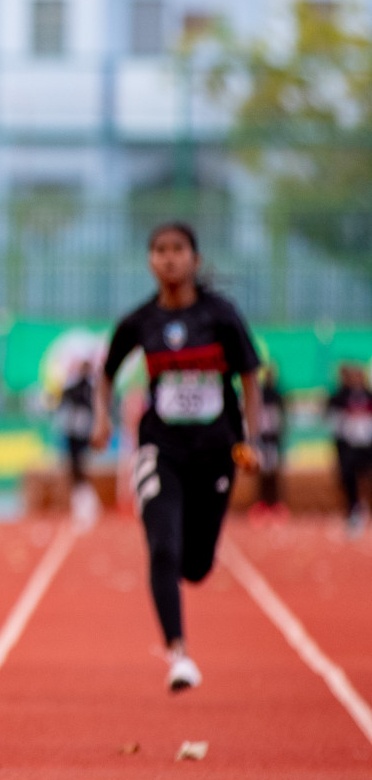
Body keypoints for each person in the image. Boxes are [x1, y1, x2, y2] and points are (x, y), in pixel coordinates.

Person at [91, 222, 262, 693]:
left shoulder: (221, 315)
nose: (169, 259)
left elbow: (249, 377)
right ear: (149, 261)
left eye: (178, 250)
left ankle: (191, 555)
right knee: (162, 547)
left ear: (195, 259)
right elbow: (105, 373)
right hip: (160, 449)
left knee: (196, 566)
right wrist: (101, 420)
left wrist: (253, 437)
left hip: (216, 451)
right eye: (160, 251)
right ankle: (178, 654)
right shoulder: (139, 321)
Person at [326, 362, 372, 536]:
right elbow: (331, 420)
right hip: (348, 449)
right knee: (348, 479)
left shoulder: (368, 395)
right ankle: (353, 511)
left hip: (367, 447)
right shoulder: (339, 397)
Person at [57, 359, 100, 526]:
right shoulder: (75, 388)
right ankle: (81, 501)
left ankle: (87, 501)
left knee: (79, 466)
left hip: (82, 432)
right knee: (75, 467)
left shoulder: (87, 390)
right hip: (73, 431)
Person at [253, 364, 288, 520]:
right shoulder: (259, 394)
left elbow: (283, 420)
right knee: (262, 473)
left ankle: (275, 503)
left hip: (274, 440)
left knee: (274, 473)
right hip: (262, 440)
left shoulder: (278, 396)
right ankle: (262, 503)